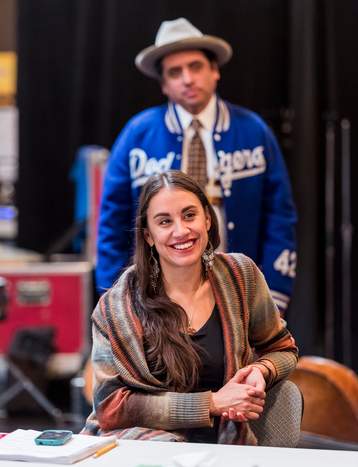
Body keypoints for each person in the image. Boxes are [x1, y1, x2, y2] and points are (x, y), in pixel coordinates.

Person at [96, 18, 297, 316]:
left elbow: (279, 217)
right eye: (175, 72)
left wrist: (274, 296)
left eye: (196, 66)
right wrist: (116, 301)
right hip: (158, 300)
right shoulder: (137, 135)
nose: (187, 79)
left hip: (241, 294)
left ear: (214, 70)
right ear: (163, 84)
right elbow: (112, 224)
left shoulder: (253, 131)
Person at [83, 170, 298, 445]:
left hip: (226, 449)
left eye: (189, 215)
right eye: (164, 221)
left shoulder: (241, 277)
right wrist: (212, 403)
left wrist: (261, 370)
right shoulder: (114, 308)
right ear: (148, 235)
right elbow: (111, 408)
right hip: (142, 450)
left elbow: (282, 348)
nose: (181, 230)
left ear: (208, 219)